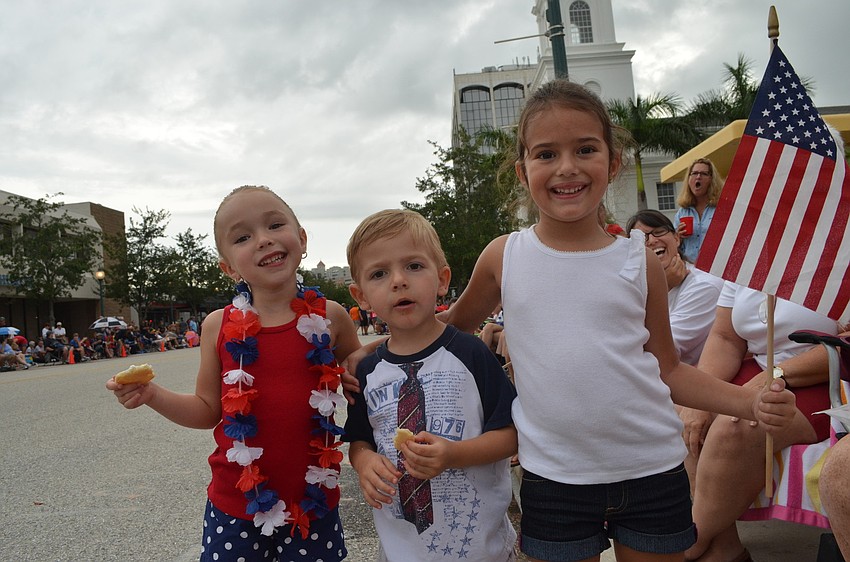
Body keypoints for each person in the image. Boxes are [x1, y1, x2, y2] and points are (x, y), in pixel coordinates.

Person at [434, 80, 796, 562]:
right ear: (523, 171)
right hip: (554, 479)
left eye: (585, 148)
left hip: (651, 470)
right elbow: (449, 332)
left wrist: (749, 405)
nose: (567, 167)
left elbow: (668, 370)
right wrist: (369, 353)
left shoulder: (639, 261)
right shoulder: (506, 256)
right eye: (546, 154)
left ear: (613, 161)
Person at [106, 185, 361, 561]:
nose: (263, 239)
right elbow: (208, 409)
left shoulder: (330, 316)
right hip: (236, 502)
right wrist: (152, 395)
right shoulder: (218, 325)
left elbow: (365, 377)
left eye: (275, 225)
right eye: (243, 237)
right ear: (228, 267)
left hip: (313, 503)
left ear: (302, 238)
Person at [343, 209, 518, 561]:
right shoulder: (368, 371)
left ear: (442, 279)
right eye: (379, 273)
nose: (398, 281)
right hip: (401, 551)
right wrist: (363, 463)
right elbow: (359, 438)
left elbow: (512, 434)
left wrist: (455, 455)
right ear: (361, 297)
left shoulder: (471, 354)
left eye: (413, 266)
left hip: (480, 549)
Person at [680, 284, 840, 562]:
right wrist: (700, 398)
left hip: (825, 377)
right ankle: (724, 549)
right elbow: (725, 337)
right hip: (757, 366)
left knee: (738, 426)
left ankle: (689, 544)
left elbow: (846, 344)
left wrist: (775, 375)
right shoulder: (751, 255)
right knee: (682, 408)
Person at [625, 209, 723, 366]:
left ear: (677, 238)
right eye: (641, 238)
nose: (651, 241)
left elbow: (660, 352)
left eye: (658, 232)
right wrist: (663, 285)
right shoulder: (633, 286)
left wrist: (662, 289)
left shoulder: (704, 286)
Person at [674, 158, 723, 263]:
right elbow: (674, 247)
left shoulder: (722, 210)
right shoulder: (682, 212)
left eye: (703, 174)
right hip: (691, 269)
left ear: (711, 179)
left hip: (715, 268)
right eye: (694, 173)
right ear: (689, 179)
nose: (698, 177)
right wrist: (678, 237)